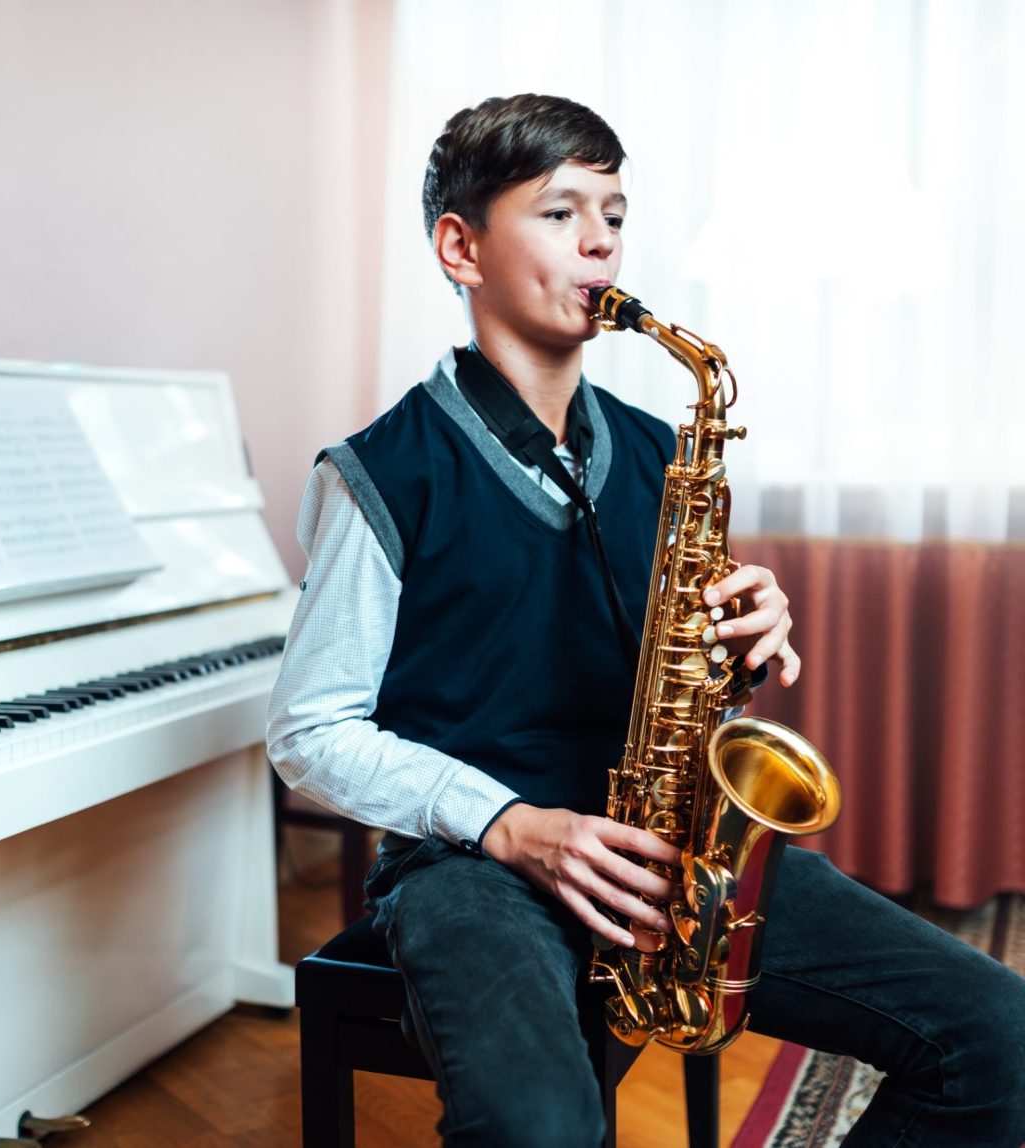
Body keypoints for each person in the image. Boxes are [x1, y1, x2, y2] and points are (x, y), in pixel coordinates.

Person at [267, 93, 1025, 1147]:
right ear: (460, 245)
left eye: (615, 215)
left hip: (669, 843)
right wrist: (508, 823)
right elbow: (308, 734)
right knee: (538, 1126)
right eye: (560, 210)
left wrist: (744, 637)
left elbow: (675, 676)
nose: (601, 243)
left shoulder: (662, 451)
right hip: (471, 865)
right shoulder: (380, 472)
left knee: (997, 1029)